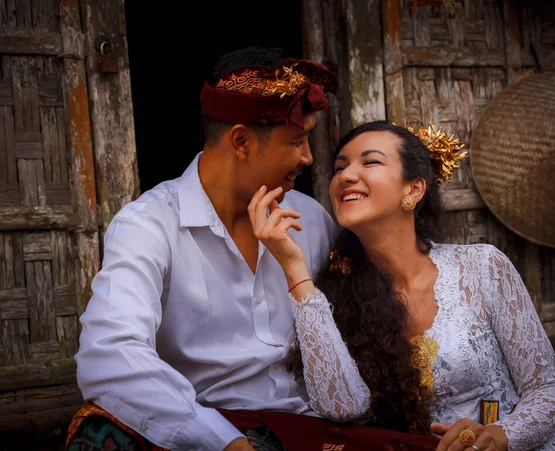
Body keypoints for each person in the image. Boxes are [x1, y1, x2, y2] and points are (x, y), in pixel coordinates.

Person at [64, 46, 359, 451]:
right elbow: (110, 355)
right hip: (207, 429)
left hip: (310, 429)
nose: (308, 157)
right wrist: (224, 442)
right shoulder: (148, 225)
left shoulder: (309, 217)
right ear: (240, 141)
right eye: (297, 140)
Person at [251, 120, 555, 451]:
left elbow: (551, 389)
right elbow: (342, 408)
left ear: (414, 189)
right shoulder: (334, 297)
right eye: (339, 167)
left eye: (371, 161)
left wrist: (501, 435)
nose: (345, 176)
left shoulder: (481, 267)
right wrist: (294, 270)